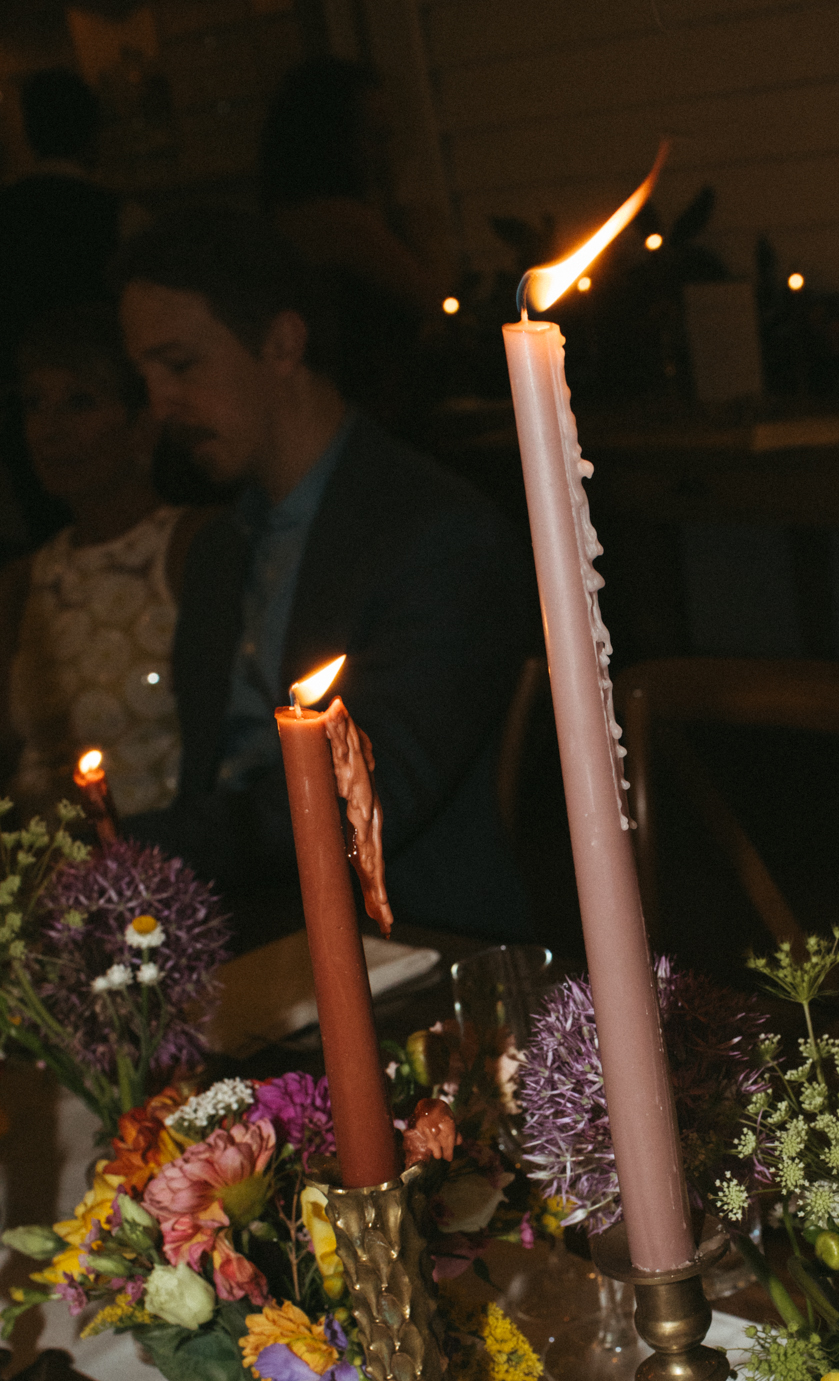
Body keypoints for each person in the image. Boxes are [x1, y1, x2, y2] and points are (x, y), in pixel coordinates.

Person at [113, 207, 532, 944]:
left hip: (407, 941)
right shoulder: (219, 549)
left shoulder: (434, 532)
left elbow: (361, 796)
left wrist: (129, 852)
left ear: (282, 343)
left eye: (179, 366)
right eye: (143, 375)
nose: (158, 405)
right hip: (243, 929)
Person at [0, 303, 206, 818]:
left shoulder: (191, 546)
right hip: (47, 857)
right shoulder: (23, 582)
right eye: (34, 404)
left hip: (164, 853)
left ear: (144, 424)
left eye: (79, 403)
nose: (48, 430)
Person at [257, 58, 438, 428]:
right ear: (335, 142)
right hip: (370, 415)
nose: (387, 153)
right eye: (375, 137)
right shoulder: (337, 222)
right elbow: (434, 300)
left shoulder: (287, 217)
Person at [0, 70, 130, 545]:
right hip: (103, 400)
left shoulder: (8, 212)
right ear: (93, 133)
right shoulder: (115, 214)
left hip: (20, 406)